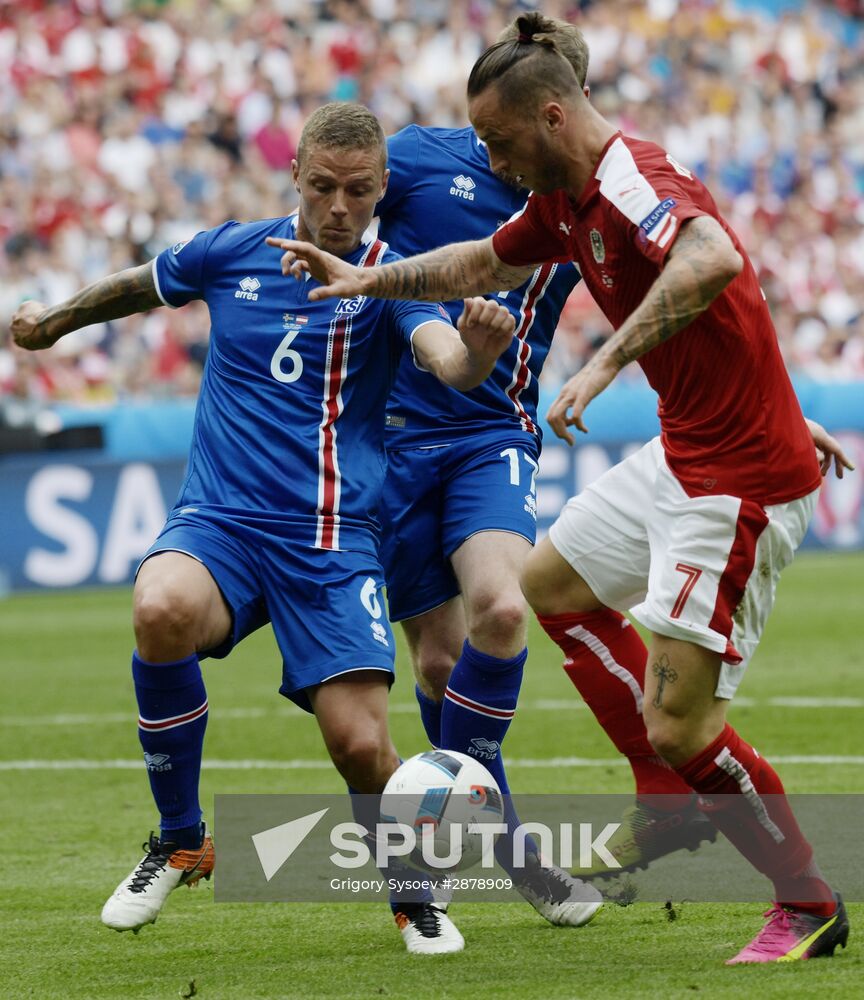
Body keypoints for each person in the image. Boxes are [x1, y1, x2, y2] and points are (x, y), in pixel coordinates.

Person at [266, 15, 852, 965]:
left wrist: (606, 364)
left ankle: (807, 900)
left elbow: (713, 261)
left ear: (549, 116)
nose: (488, 156)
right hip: (687, 452)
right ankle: (668, 802)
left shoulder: (629, 180)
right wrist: (361, 281)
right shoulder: (563, 200)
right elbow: (473, 263)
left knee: (681, 723)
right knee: (550, 587)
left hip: (736, 480)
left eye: (498, 139)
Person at [11, 102, 519, 956]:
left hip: (331, 542)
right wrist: (55, 320)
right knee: (159, 605)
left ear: (382, 188)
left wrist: (477, 351)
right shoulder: (230, 251)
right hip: (224, 525)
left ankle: (411, 894)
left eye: (358, 191)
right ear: (296, 177)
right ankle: (180, 837)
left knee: (362, 746)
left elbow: (448, 363)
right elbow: (141, 284)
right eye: (322, 186)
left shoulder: (394, 281)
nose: (338, 207)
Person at [373, 17, 718, 898]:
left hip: (491, 433)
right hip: (393, 439)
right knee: (443, 668)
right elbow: (339, 226)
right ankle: (511, 852)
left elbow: (698, 282)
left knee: (501, 606)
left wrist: (786, 408)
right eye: (503, 135)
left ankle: (481, 835)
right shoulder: (416, 157)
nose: (512, 155)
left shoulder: (574, 197)